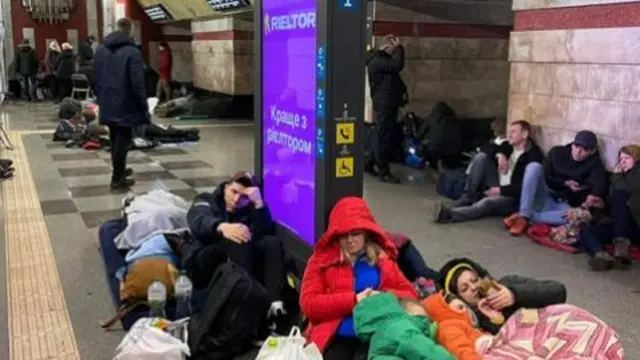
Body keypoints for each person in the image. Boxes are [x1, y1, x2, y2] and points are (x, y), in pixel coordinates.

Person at [300, 196, 417, 359]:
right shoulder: (321, 261)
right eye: (343, 235)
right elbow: (309, 305)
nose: (350, 240)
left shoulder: (382, 260)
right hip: (335, 336)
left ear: (366, 233)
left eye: (355, 234)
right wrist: (354, 300)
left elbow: (410, 295)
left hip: (376, 334)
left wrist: (381, 297)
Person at [186, 172, 288, 331]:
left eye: (243, 197)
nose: (236, 200)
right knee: (238, 241)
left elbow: (264, 233)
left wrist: (259, 205)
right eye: (233, 192)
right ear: (226, 187)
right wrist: (222, 227)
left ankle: (275, 307)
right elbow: (198, 220)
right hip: (207, 258)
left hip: (242, 264)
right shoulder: (207, 200)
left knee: (271, 243)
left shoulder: (248, 210)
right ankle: (242, 310)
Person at [434, 120, 544, 224]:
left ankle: (450, 215)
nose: (509, 135)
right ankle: (468, 196)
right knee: (481, 157)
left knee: (486, 203)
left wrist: (501, 190)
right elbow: (485, 147)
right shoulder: (508, 146)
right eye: (509, 132)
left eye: (513, 132)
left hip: (511, 195)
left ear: (524, 134)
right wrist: (499, 154)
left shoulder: (533, 155)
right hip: (496, 182)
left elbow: (525, 187)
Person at [505, 130, 608, 235]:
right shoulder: (557, 152)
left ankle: (525, 215)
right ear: (572, 144)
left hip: (563, 203)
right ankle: (524, 216)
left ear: (591, 151)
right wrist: (564, 183)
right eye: (576, 146)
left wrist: (591, 197)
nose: (578, 151)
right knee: (534, 167)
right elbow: (545, 175)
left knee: (576, 219)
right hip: (545, 194)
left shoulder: (594, 163)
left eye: (585, 149)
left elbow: (598, 185)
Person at [438, 258, 566, 334]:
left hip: (556, 326)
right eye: (465, 289)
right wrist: (494, 317)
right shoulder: (474, 321)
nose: (474, 287)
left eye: (475, 280)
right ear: (459, 298)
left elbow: (558, 292)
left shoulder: (508, 282)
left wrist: (514, 294)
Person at [94, 18, 149, 190]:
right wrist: (143, 104)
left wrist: (100, 96)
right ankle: (117, 178)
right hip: (126, 103)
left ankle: (120, 170)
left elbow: (94, 76)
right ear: (129, 31)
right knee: (122, 141)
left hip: (107, 100)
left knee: (114, 138)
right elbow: (137, 83)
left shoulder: (101, 50)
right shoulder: (132, 52)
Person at [579, 144, 640, 271]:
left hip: (636, 224)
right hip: (622, 226)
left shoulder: (636, 173)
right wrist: (601, 204)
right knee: (586, 229)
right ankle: (601, 255)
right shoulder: (618, 178)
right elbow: (616, 208)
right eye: (621, 159)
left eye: (627, 158)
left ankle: (620, 244)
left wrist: (617, 176)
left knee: (619, 194)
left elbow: (628, 191)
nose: (622, 162)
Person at [354, 292, 454, 360]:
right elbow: (426, 350)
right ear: (408, 312)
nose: (426, 324)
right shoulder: (399, 327)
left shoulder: (378, 339)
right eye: (422, 317)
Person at [365, 34, 408, 183]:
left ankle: (369, 162)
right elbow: (398, 65)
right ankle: (383, 171)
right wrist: (399, 47)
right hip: (385, 104)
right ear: (384, 46)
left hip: (386, 102)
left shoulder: (380, 61)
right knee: (383, 137)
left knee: (379, 133)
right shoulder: (377, 62)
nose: (392, 49)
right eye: (390, 46)